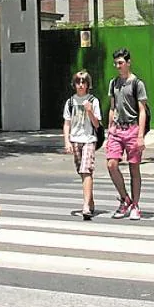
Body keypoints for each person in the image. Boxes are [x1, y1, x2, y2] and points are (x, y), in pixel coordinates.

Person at [105, 48, 148, 220]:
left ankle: (136, 205)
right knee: (111, 165)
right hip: (117, 129)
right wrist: (109, 131)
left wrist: (140, 135)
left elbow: (142, 110)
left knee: (134, 168)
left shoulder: (137, 83)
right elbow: (112, 107)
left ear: (128, 62)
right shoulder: (113, 83)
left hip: (132, 129)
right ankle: (125, 199)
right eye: (116, 63)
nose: (118, 66)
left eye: (121, 63)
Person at [62, 70, 101, 219]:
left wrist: (90, 111)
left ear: (88, 85)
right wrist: (67, 141)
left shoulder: (93, 100)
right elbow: (67, 123)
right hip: (75, 139)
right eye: (78, 82)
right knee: (82, 171)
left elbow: (97, 124)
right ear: (74, 84)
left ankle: (85, 206)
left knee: (86, 170)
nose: (81, 85)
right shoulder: (70, 102)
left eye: (83, 82)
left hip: (89, 139)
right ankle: (90, 200)